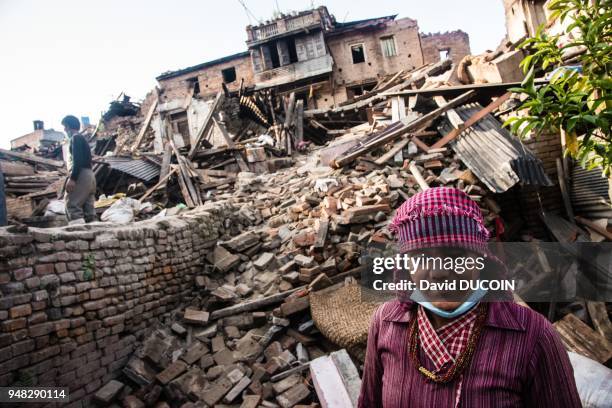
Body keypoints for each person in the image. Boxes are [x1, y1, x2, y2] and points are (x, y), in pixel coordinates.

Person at [358, 187, 581, 408]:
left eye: (456, 255)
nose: (439, 272)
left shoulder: (533, 336)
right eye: (422, 256)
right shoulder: (386, 323)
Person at [61, 115, 96, 224]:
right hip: (90, 176)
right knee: (88, 209)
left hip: (81, 174)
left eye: (64, 127)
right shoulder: (82, 139)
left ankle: (78, 237)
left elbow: (78, 160)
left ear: (68, 126)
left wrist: (73, 178)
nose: (64, 130)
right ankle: (96, 235)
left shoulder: (75, 138)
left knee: (72, 205)